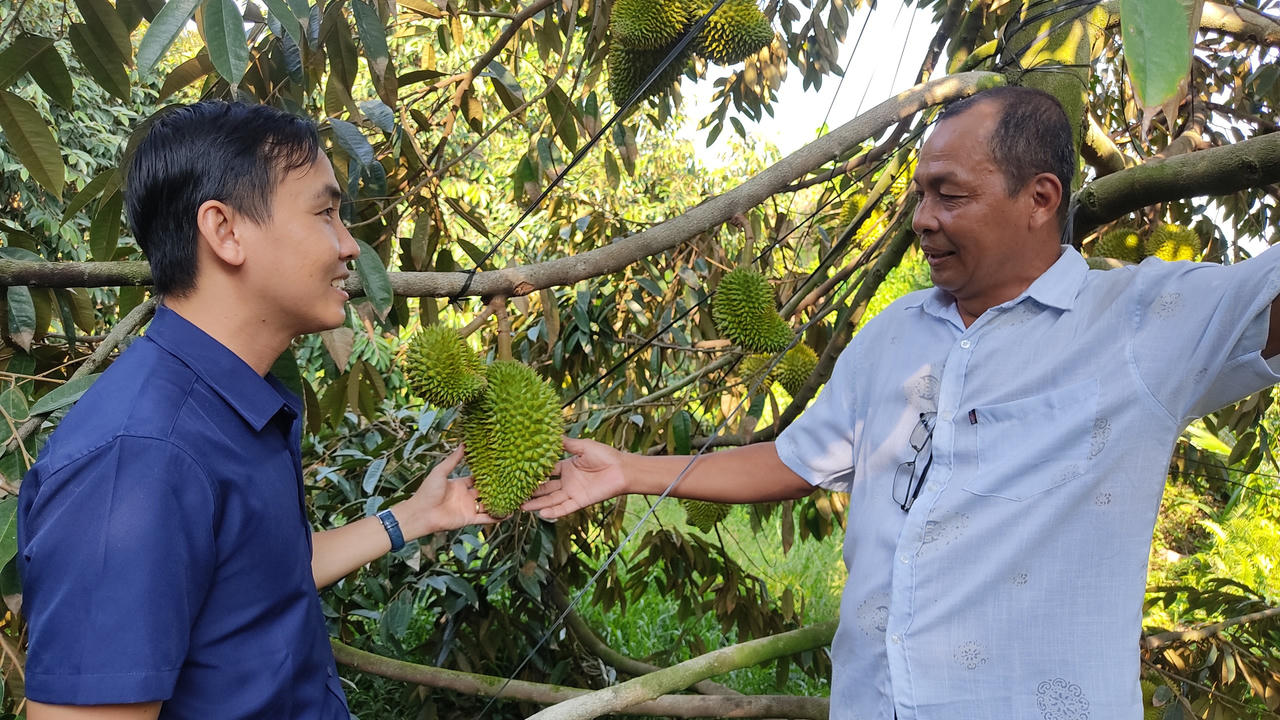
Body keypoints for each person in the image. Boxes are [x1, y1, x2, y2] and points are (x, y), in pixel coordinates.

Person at [523, 86, 1280, 718]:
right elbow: (795, 459)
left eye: (949, 196)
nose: (922, 218)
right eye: (920, 193)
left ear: (1039, 199)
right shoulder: (895, 334)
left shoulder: (1142, 324)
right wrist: (626, 469)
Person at [17, 102, 495, 718]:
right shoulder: (139, 458)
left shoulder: (231, 405)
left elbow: (260, 578)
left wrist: (417, 516)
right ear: (225, 230)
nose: (350, 246)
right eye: (325, 213)